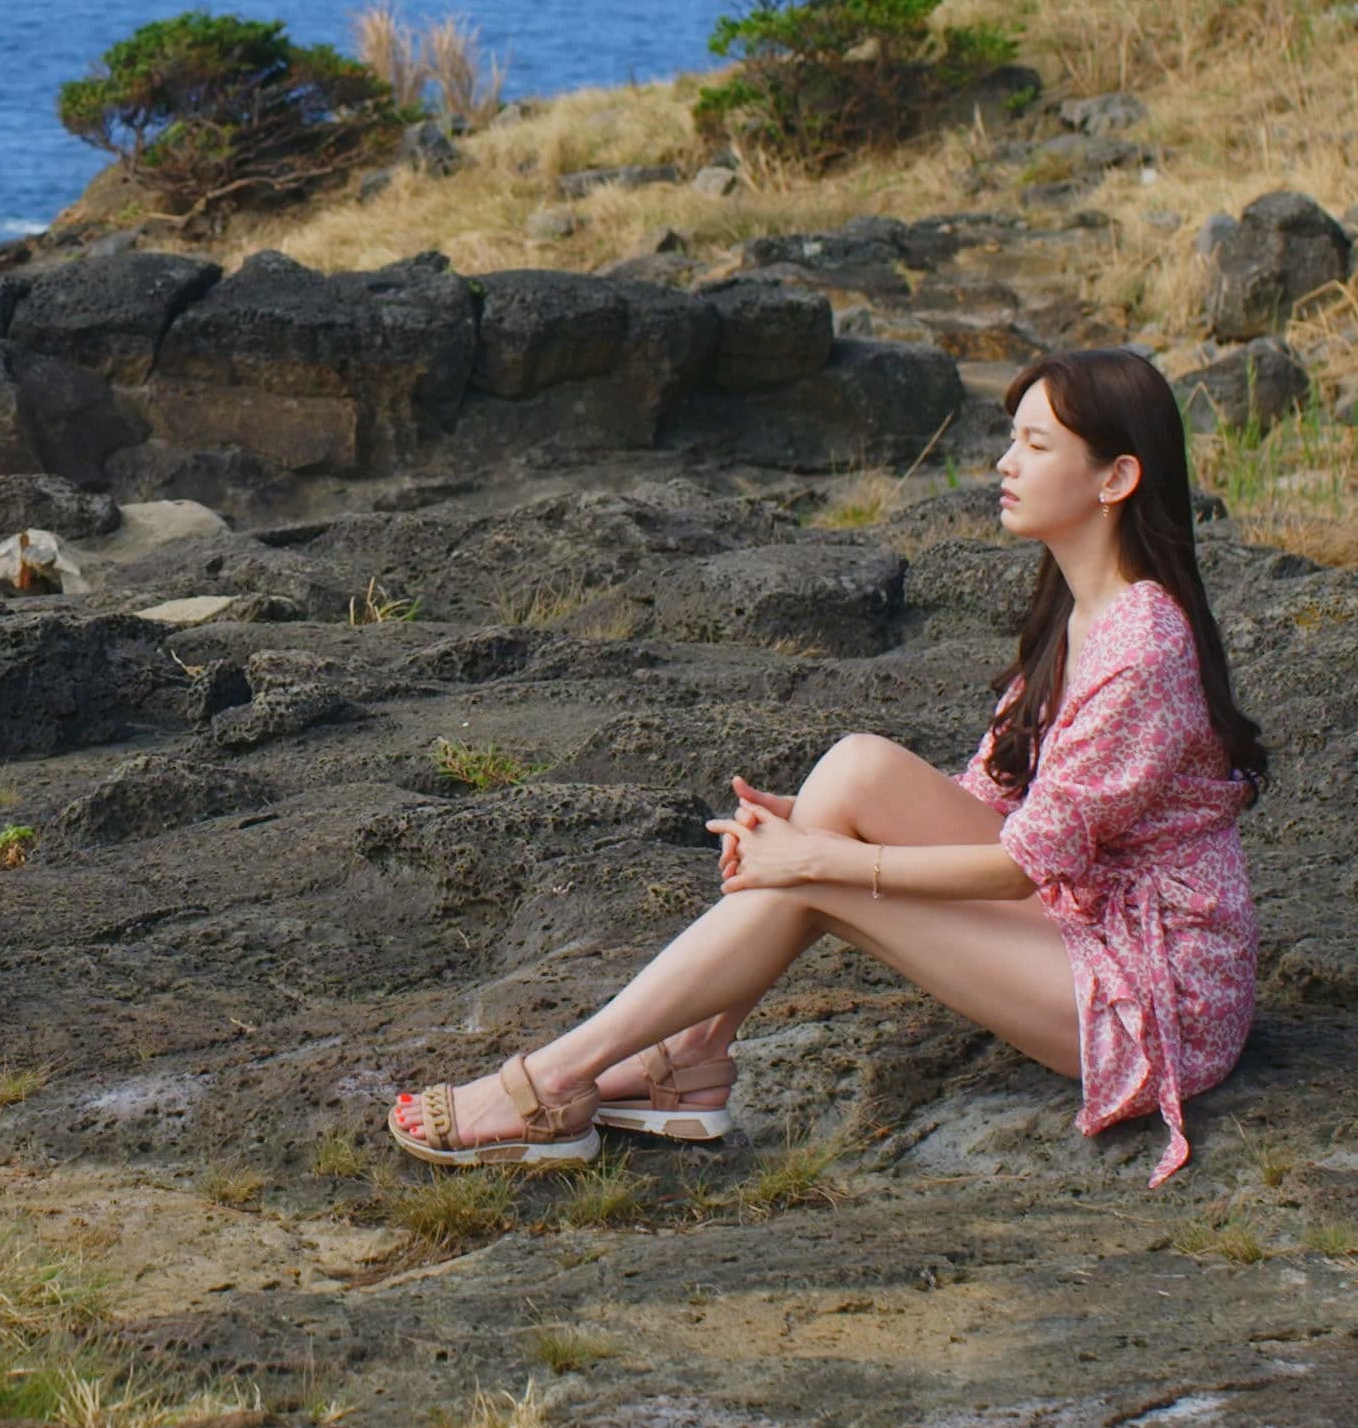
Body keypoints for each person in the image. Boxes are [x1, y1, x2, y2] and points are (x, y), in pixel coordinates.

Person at [387, 347, 1266, 1186]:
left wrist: (816, 859)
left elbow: (1014, 868)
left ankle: (555, 1081)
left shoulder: (1142, 643)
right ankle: (687, 1062)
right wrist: (813, 819)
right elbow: (987, 800)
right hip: (1085, 916)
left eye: (1035, 446)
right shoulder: (1078, 612)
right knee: (850, 771)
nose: (1004, 463)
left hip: (1154, 996)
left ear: (1116, 478)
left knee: (817, 875)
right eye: (1011, 439)